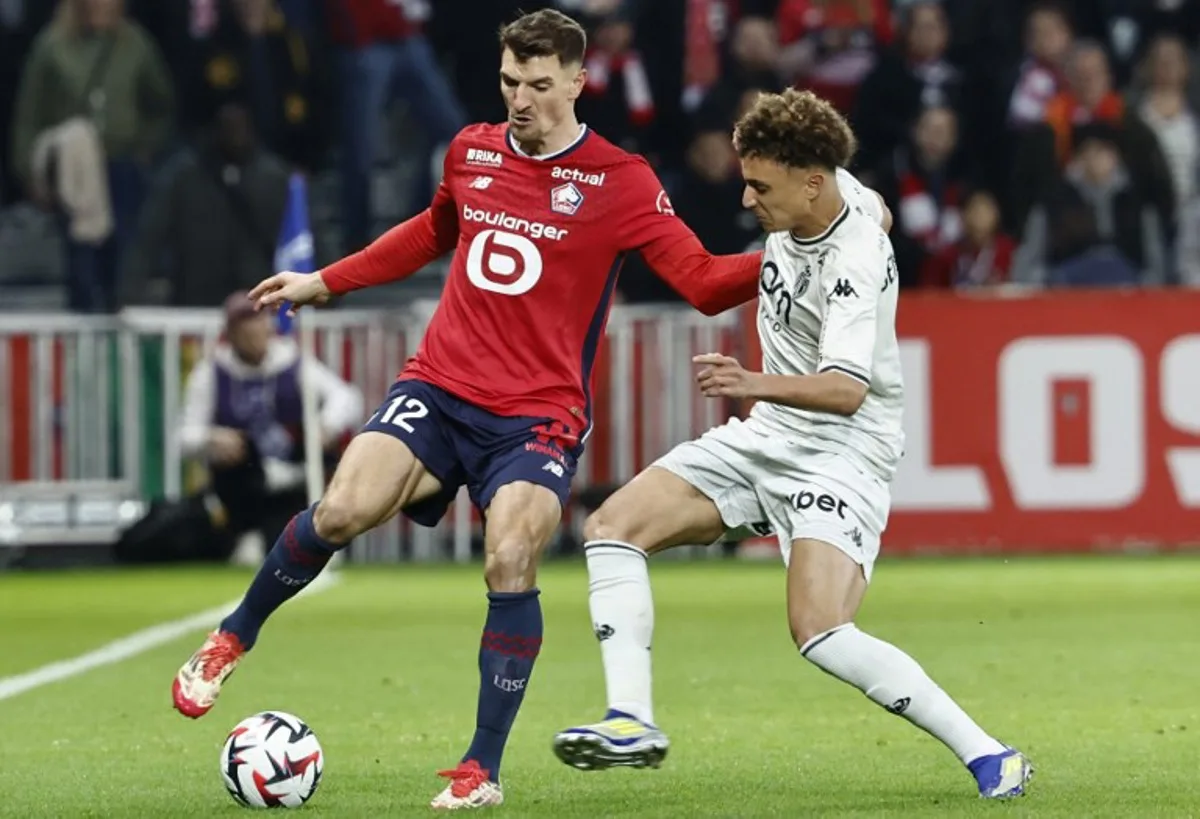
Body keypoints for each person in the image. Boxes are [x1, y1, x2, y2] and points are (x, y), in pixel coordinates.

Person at [170, 8, 762, 811]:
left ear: (579, 81)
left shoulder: (622, 181)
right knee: (341, 508)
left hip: (537, 414)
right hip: (441, 386)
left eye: (540, 85)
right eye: (511, 81)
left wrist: (781, 250)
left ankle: (479, 768)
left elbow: (700, 281)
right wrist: (327, 280)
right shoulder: (472, 149)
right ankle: (231, 636)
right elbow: (430, 230)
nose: (521, 99)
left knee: (509, 555)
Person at [552, 88, 1035, 801]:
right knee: (611, 528)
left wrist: (750, 379)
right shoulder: (846, 193)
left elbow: (846, 389)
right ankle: (632, 719)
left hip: (845, 449)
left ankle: (990, 753)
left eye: (760, 185)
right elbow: (878, 206)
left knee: (819, 630)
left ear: (811, 182)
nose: (748, 200)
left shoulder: (852, 261)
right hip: (768, 436)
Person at [178, 292, 363, 561]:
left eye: (258, 325)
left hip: (296, 473)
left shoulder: (294, 363)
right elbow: (184, 437)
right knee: (249, 549)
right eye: (245, 329)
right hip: (246, 482)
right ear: (230, 334)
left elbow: (346, 398)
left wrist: (326, 426)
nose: (254, 334)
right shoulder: (210, 374)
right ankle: (246, 537)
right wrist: (211, 438)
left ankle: (318, 531)